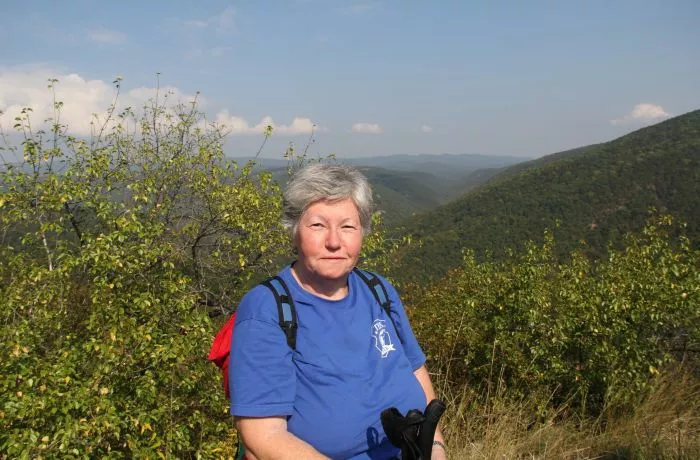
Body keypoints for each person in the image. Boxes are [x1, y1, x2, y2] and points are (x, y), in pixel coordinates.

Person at [230, 163, 447, 460]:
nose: (333, 242)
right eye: (318, 225)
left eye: (347, 227)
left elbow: (415, 369)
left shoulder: (378, 290)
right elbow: (264, 435)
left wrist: (435, 448)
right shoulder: (267, 310)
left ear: (362, 233)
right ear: (294, 232)